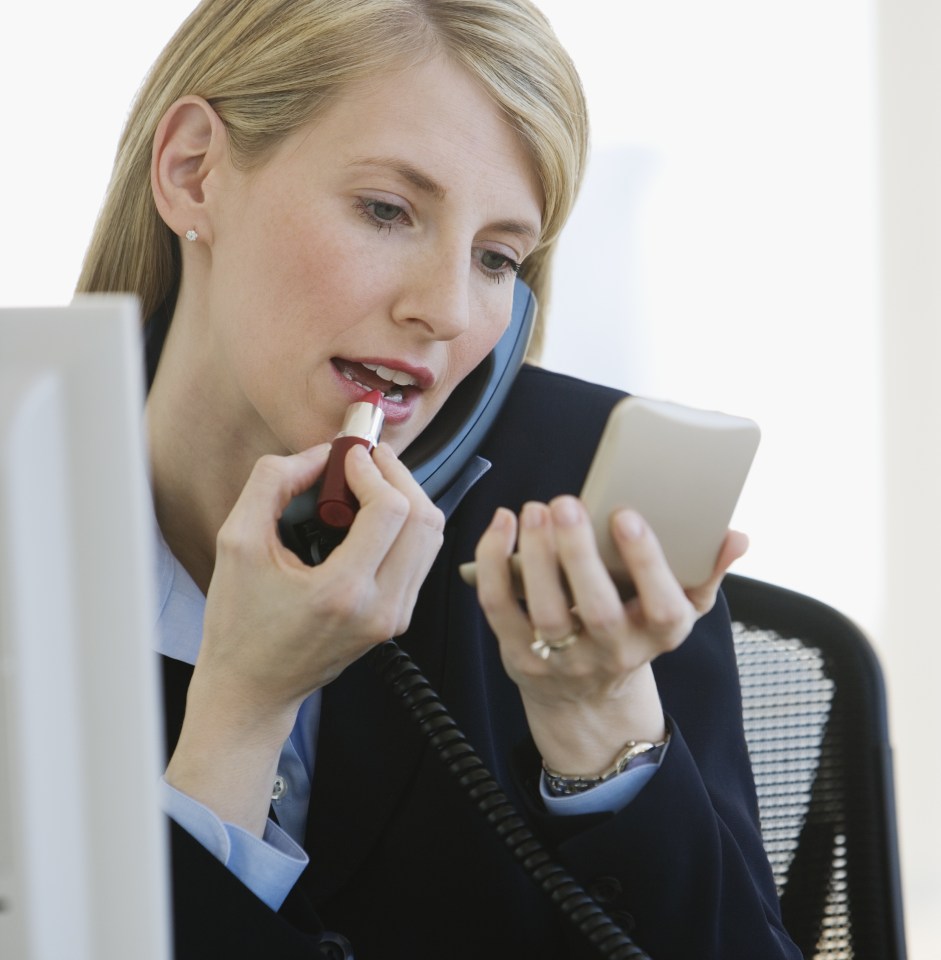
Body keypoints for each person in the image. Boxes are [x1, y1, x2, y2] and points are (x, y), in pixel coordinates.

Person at [77, 1, 801, 958]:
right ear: (193, 171)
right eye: (387, 211)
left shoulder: (575, 488)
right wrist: (239, 719)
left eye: (498, 257)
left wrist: (599, 726)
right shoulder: (32, 527)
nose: (447, 310)